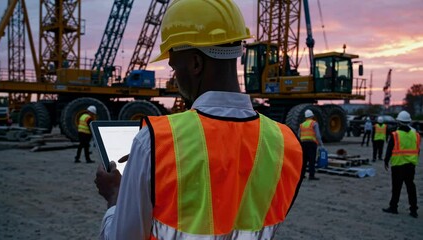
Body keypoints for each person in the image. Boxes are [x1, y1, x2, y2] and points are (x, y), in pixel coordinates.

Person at [94, 0, 304, 239]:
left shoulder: (154, 141)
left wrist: (114, 198)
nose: (175, 76)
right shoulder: (287, 144)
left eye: (174, 66)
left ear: (195, 63)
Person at [382, 110, 420, 218]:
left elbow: (389, 150)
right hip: (410, 165)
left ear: (399, 122)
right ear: (408, 122)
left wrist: (386, 161)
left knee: (396, 187)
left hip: (398, 165)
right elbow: (417, 150)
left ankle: (393, 207)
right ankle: (413, 210)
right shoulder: (416, 135)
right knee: (411, 187)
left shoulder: (395, 134)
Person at [298, 109, 324, 180]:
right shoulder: (314, 123)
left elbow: (299, 135)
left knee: (304, 161)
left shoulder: (302, 125)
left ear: (306, 117)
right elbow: (318, 135)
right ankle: (311, 176)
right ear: (312, 116)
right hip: (311, 143)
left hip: (303, 144)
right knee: (311, 160)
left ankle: (302, 175)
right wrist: (321, 144)